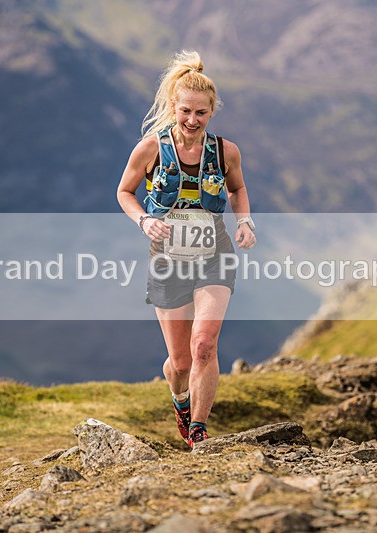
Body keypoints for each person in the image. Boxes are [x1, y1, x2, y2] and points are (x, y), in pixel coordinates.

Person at [116, 51, 256, 449]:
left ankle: (199, 431)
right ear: (173, 108)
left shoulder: (226, 151)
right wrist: (144, 220)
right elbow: (124, 192)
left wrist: (244, 221)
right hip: (168, 260)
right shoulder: (150, 149)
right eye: (185, 112)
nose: (192, 120)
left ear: (212, 111)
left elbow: (237, 188)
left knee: (204, 346)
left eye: (201, 113)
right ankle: (180, 399)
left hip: (215, 254)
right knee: (179, 363)